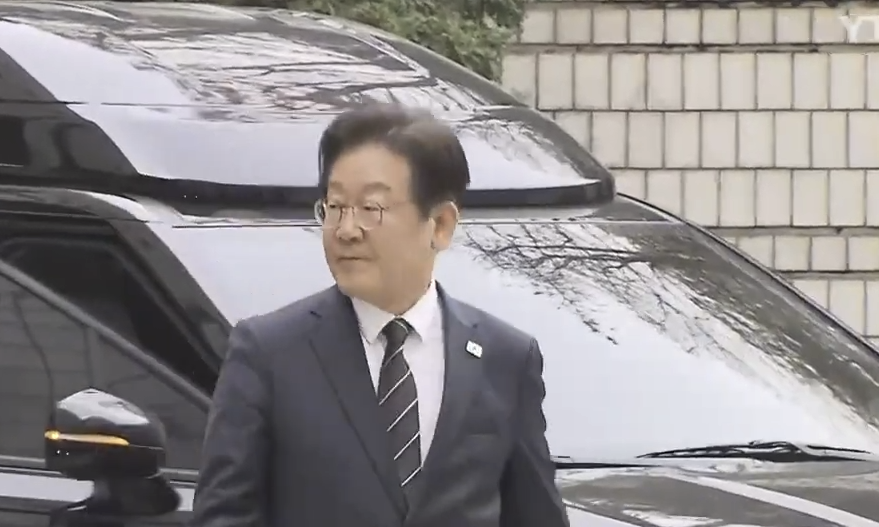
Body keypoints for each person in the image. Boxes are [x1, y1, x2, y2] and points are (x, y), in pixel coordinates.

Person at [190, 103, 570, 527]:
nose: (346, 229)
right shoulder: (269, 354)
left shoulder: (505, 359)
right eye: (335, 206)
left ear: (440, 224)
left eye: (371, 208)